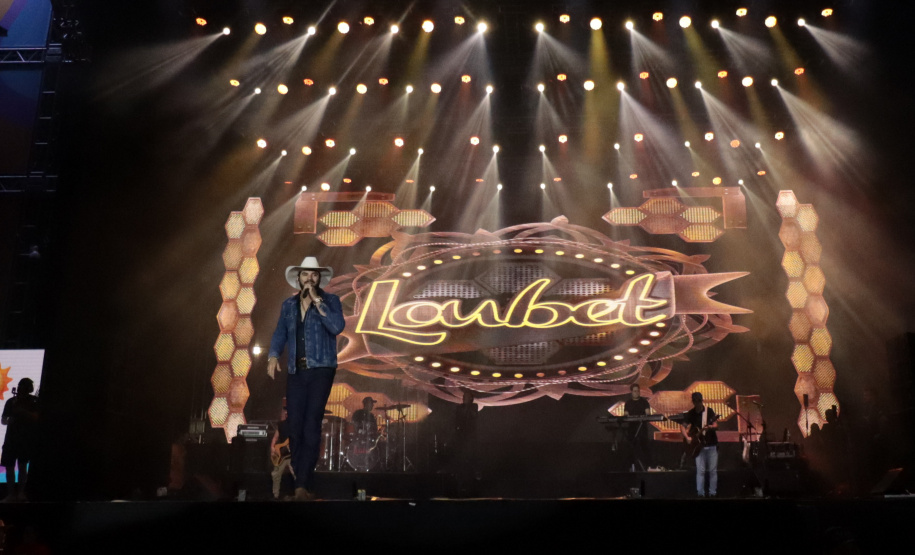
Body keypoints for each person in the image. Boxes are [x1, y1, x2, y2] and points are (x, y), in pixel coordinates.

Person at [267, 256, 345, 501]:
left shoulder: (330, 301)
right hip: (295, 371)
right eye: (305, 275)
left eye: (314, 275)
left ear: (319, 278)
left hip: (321, 369)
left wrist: (317, 301)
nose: (309, 278)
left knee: (311, 425)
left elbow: (336, 327)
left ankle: (301, 485)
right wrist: (272, 356)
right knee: (295, 427)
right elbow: (280, 332)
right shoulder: (288, 305)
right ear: (298, 278)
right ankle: (302, 483)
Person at [1, 378, 40, 502]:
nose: (19, 389)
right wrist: (9, 420)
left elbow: (36, 417)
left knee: (23, 466)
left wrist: (22, 412)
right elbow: (3, 420)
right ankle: (11, 494)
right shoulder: (11, 401)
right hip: (11, 439)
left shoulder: (34, 401)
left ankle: (21, 492)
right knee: (9, 466)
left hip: (25, 439)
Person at [680, 391, 719, 497]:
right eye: (696, 402)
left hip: (711, 444)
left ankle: (712, 493)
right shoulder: (691, 413)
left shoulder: (709, 411)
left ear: (702, 401)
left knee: (712, 471)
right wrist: (687, 437)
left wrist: (710, 427)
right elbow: (683, 426)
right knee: (700, 471)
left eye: (699, 401)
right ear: (693, 402)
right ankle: (700, 493)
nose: (698, 404)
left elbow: (716, 425)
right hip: (698, 447)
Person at [623, 384, 653, 471]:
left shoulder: (644, 402)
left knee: (645, 446)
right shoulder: (628, 403)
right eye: (635, 391)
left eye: (638, 391)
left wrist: (644, 416)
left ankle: (649, 466)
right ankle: (631, 466)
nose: (637, 393)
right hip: (632, 428)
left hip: (642, 427)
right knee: (632, 446)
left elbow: (648, 413)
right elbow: (626, 414)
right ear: (632, 392)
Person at [270, 405, 294, 500]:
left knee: (297, 474)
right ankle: (275, 495)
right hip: (283, 454)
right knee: (276, 474)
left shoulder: (297, 424)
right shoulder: (281, 425)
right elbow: (275, 437)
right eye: (284, 412)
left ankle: (300, 494)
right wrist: (272, 447)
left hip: (293, 454)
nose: (283, 414)